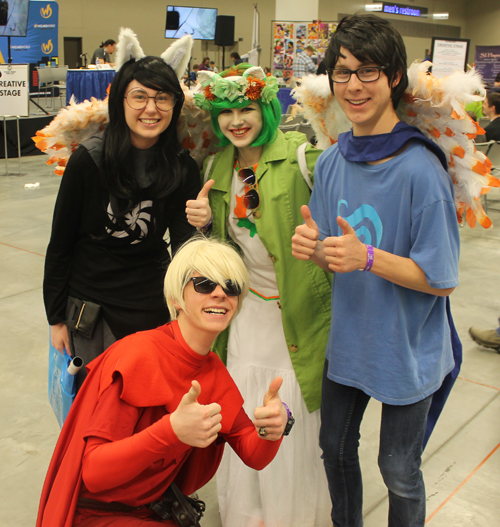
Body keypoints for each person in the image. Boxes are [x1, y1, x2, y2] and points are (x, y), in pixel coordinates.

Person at [292, 14, 460, 527]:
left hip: (406, 350)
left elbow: (442, 277)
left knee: (399, 469)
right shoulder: (332, 161)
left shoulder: (420, 168)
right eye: (342, 73)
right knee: (335, 450)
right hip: (350, 343)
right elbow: (331, 251)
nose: (354, 86)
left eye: (368, 71)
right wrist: (313, 247)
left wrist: (367, 256)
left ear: (392, 78)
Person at [36, 237, 290, 527]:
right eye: (204, 284)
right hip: (97, 515)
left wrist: (272, 429)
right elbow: (94, 473)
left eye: (231, 287)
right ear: (175, 299)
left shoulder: (214, 372)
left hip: (152, 512)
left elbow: (253, 453)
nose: (220, 293)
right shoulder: (139, 357)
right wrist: (171, 432)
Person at [190, 64, 332, 527]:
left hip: (297, 317)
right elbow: (227, 251)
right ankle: (248, 516)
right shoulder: (218, 166)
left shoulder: (302, 158)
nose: (236, 120)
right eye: (226, 111)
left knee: (288, 417)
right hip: (245, 315)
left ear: (266, 107)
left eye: (246, 108)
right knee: (243, 412)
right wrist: (203, 223)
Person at [44, 41, 200, 390]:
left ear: (174, 105)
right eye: (140, 96)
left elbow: (185, 246)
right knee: (96, 413)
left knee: (144, 412)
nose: (151, 108)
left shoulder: (181, 167)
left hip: (151, 305)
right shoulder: (89, 160)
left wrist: (200, 223)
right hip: (91, 310)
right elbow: (61, 244)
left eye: (162, 98)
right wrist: (56, 319)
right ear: (121, 101)